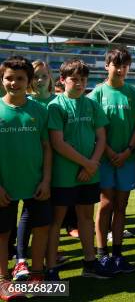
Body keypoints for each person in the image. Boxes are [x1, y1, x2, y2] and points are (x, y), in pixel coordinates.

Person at [46, 59, 112, 280]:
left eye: (83, 79)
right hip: (64, 175)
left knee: (85, 218)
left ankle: (90, 263)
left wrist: (92, 164)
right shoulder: (55, 106)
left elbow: (101, 137)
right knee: (57, 221)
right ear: (63, 80)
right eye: (74, 79)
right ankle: (52, 269)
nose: (79, 83)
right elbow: (58, 143)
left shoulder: (92, 104)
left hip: (89, 174)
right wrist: (88, 163)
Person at [89, 47, 135, 274]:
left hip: (127, 159)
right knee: (105, 205)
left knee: (121, 206)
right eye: (116, 65)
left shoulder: (132, 93)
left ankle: (118, 254)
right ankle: (102, 255)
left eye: (124, 65)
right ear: (107, 66)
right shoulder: (97, 94)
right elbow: (93, 130)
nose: (121, 69)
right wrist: (110, 152)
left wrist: (127, 150)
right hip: (104, 159)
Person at [0, 56, 51, 290]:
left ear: (29, 81)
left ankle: (37, 275)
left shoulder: (40, 110)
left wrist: (46, 179)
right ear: (2, 79)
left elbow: (47, 148)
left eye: (20, 78)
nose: (14, 83)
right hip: (4, 187)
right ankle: (3, 280)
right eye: (9, 78)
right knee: (2, 233)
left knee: (40, 228)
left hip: (36, 183)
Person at [11, 60, 56, 281]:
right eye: (36, 76)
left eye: (44, 76)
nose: (40, 81)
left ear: (51, 79)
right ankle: (20, 260)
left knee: (50, 218)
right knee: (28, 216)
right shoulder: (23, 103)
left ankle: (48, 258)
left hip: (57, 169)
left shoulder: (58, 102)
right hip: (31, 170)